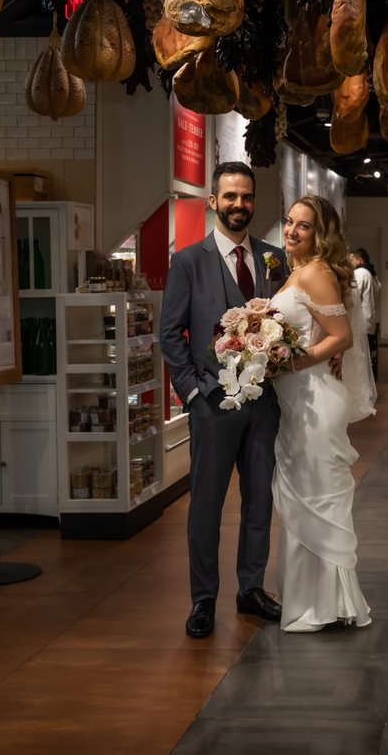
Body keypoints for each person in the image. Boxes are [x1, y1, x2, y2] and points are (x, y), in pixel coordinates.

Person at [158, 161, 286, 638]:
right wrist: (193, 392)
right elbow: (170, 335)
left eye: (246, 197)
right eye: (230, 196)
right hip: (212, 406)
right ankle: (203, 598)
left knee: (259, 501)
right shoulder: (189, 261)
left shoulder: (275, 259)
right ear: (213, 201)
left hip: (265, 406)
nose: (239, 205)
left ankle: (250, 588)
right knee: (206, 507)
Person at [272, 195, 377, 632]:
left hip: (315, 400)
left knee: (316, 499)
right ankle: (316, 601)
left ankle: (320, 607)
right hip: (298, 403)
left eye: (304, 226)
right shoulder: (296, 271)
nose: (292, 231)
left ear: (321, 234)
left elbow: (343, 337)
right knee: (304, 497)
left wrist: (293, 362)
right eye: (290, 222)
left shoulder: (314, 273)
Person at [349, 248, 381, 380]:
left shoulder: (360, 273)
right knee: (369, 356)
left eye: (351, 260)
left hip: (361, 322)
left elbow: (352, 296)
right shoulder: (372, 275)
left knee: (361, 357)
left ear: (359, 260)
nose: (348, 263)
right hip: (370, 322)